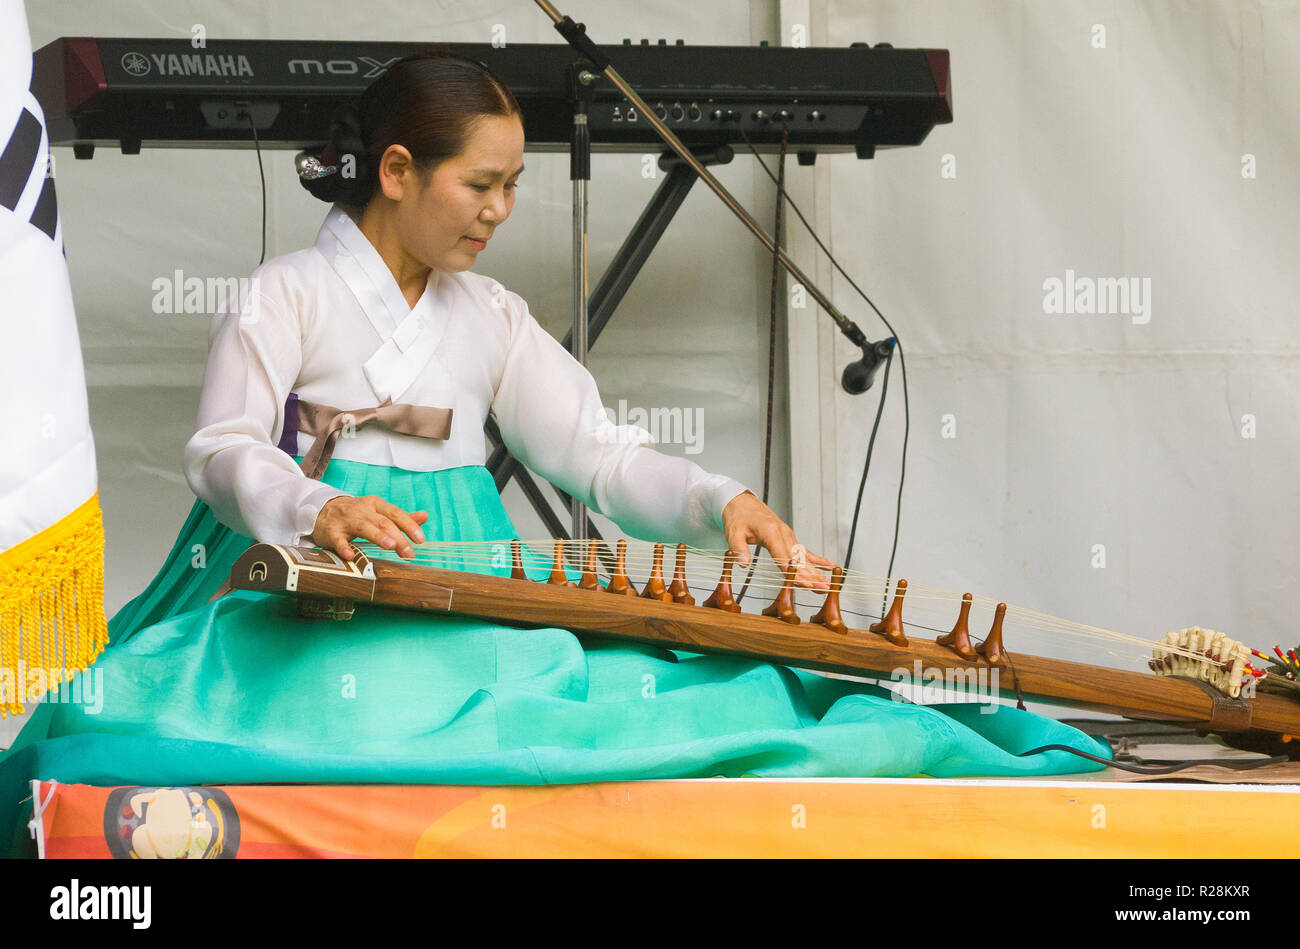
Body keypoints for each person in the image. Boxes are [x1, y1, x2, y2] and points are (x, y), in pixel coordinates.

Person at [0, 51, 1107, 858]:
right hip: (309, 589)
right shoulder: (285, 292)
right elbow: (220, 448)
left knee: (691, 696)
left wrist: (721, 498)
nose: (500, 210)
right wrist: (309, 505)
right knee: (205, 724)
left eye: (514, 184)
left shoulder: (489, 315)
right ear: (395, 171)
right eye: (479, 184)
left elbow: (603, 458)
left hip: (471, 590)